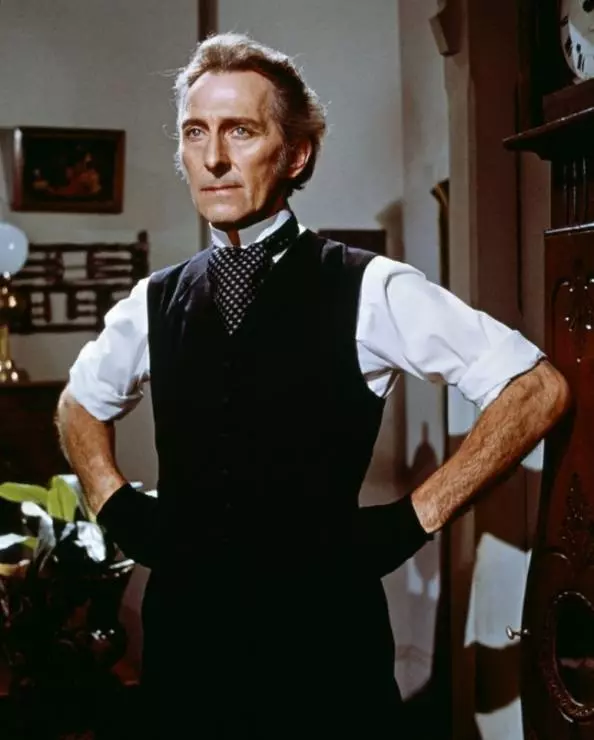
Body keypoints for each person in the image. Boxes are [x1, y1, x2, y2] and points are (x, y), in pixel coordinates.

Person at [55, 32, 570, 739]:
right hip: (186, 656)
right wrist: (113, 504)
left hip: (325, 658)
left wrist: (411, 520)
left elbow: (535, 389)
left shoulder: (369, 287)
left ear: (295, 154)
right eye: (196, 133)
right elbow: (78, 404)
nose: (213, 157)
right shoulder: (155, 299)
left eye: (240, 131)